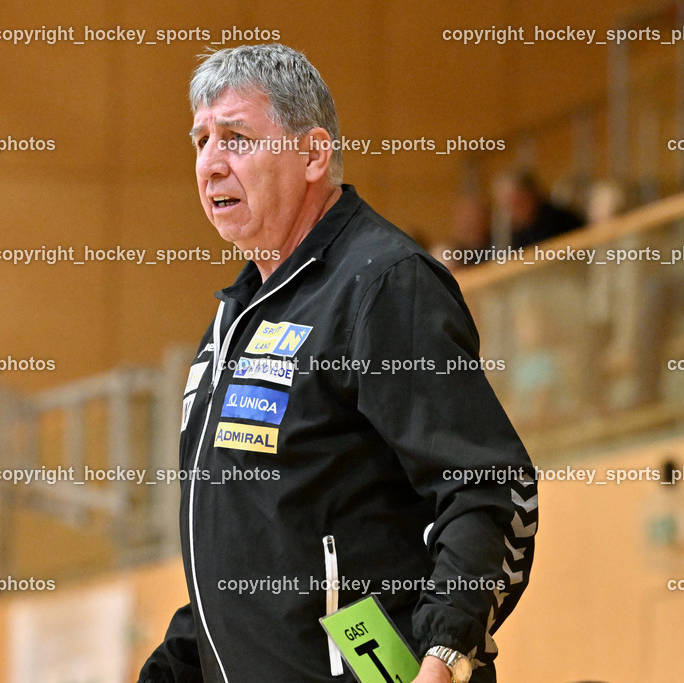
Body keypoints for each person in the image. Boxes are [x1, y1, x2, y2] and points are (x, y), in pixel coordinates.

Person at [139, 44, 537, 683]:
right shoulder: (233, 320)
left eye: (237, 138)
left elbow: (487, 487)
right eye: (201, 140)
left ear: (313, 155)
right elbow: (246, 549)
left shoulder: (383, 284)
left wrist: (444, 652)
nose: (210, 164)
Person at [493, 169, 583, 248]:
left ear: (531, 194)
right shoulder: (516, 235)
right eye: (506, 206)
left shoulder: (560, 220)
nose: (512, 211)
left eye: (515, 202)